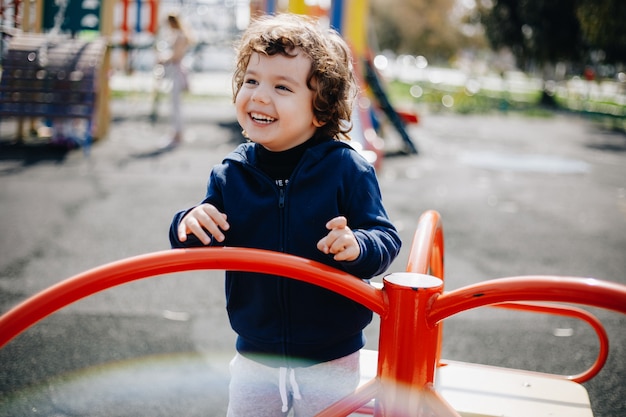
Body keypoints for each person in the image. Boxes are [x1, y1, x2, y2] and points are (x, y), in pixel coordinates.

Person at [169, 13, 401, 417]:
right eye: (252, 81)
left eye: (282, 87)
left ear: (321, 110)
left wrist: (357, 244)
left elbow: (385, 237)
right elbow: (202, 235)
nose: (259, 95)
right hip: (255, 352)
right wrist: (188, 222)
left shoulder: (346, 169)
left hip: (329, 355)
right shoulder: (232, 173)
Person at [157, 12, 193, 147]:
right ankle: (177, 132)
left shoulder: (179, 36)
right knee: (175, 104)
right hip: (177, 71)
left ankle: (177, 134)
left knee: (175, 104)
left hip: (176, 72)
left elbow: (176, 56)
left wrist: (163, 58)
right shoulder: (181, 35)